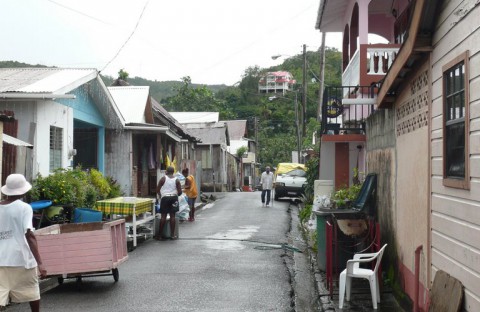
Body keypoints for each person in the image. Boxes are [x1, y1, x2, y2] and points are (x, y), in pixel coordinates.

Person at [0, 173, 47, 312]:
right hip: (22, 260)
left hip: (1, 260)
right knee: (32, 293)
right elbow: (29, 235)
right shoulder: (24, 208)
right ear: (23, 190)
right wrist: (41, 263)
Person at [156, 166, 182, 240]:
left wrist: (161, 196)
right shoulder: (176, 180)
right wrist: (176, 194)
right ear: (173, 172)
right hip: (174, 198)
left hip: (165, 198)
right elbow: (180, 192)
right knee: (172, 216)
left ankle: (160, 235)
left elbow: (157, 189)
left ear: (166, 171)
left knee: (163, 216)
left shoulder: (163, 178)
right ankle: (172, 235)